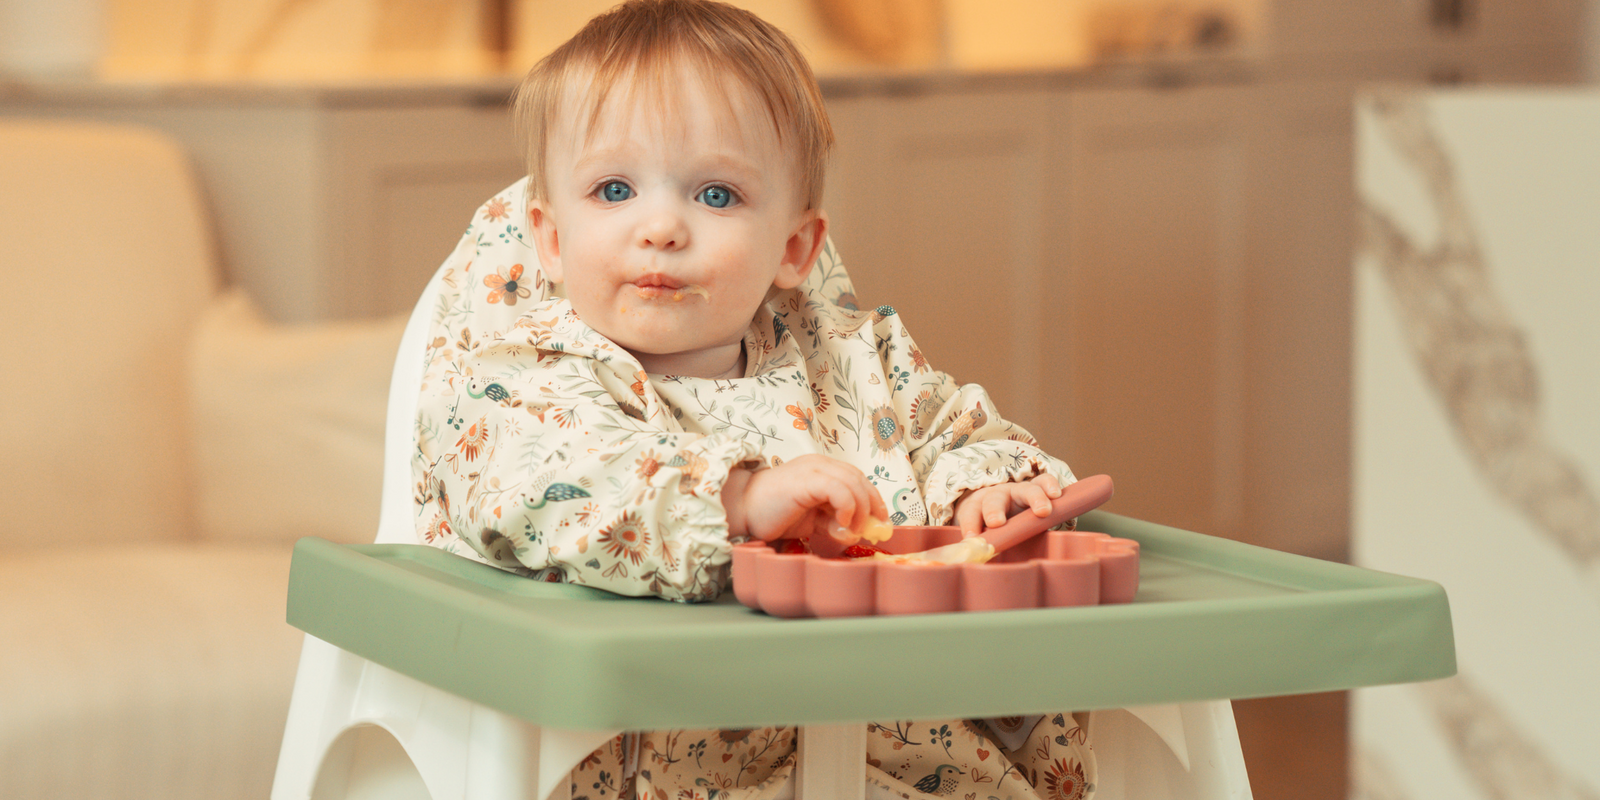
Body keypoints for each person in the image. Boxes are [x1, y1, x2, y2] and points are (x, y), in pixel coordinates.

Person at [412, 1, 1095, 797]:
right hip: (653, 766)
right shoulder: (521, 376)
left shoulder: (854, 360)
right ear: (552, 240)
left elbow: (954, 434)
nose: (661, 226)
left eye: (716, 196)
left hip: (896, 758)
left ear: (795, 247)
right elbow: (544, 492)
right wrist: (737, 501)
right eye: (613, 188)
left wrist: (982, 490)